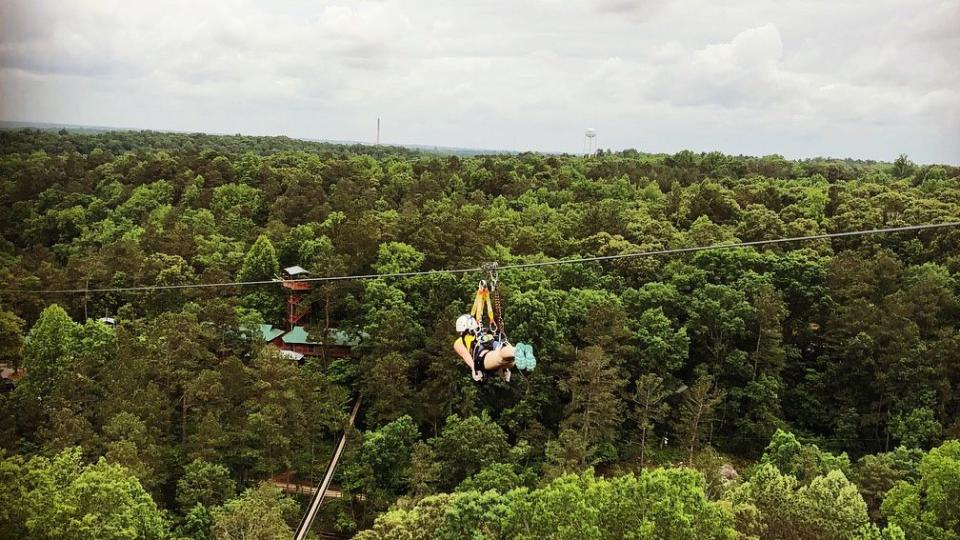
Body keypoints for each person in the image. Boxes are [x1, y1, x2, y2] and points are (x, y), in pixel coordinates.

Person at [453, 314, 515, 381]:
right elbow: (465, 354)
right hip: (492, 353)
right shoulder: (483, 332)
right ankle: (514, 352)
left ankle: (512, 354)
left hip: (484, 357)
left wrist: (474, 369)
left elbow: (465, 354)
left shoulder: (460, 342)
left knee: (500, 357)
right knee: (503, 355)